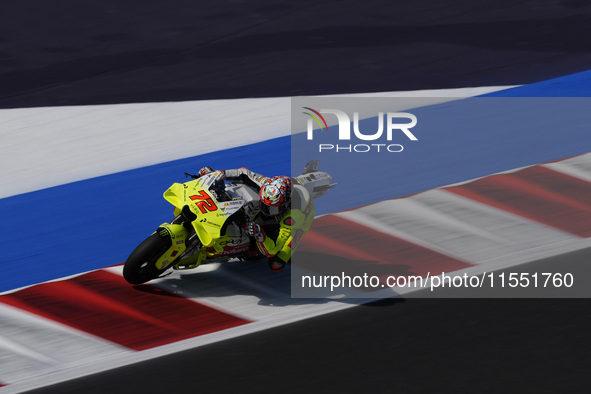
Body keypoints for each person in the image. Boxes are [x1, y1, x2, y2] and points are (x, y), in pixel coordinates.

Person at [196, 166, 315, 272]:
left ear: (285, 205)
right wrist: (218, 174)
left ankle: (281, 254)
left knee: (277, 261)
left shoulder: (292, 218)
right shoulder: (266, 183)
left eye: (272, 208)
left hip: (300, 221)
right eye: (265, 205)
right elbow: (243, 173)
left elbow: (273, 249)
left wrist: (260, 234)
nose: (266, 210)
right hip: (284, 195)